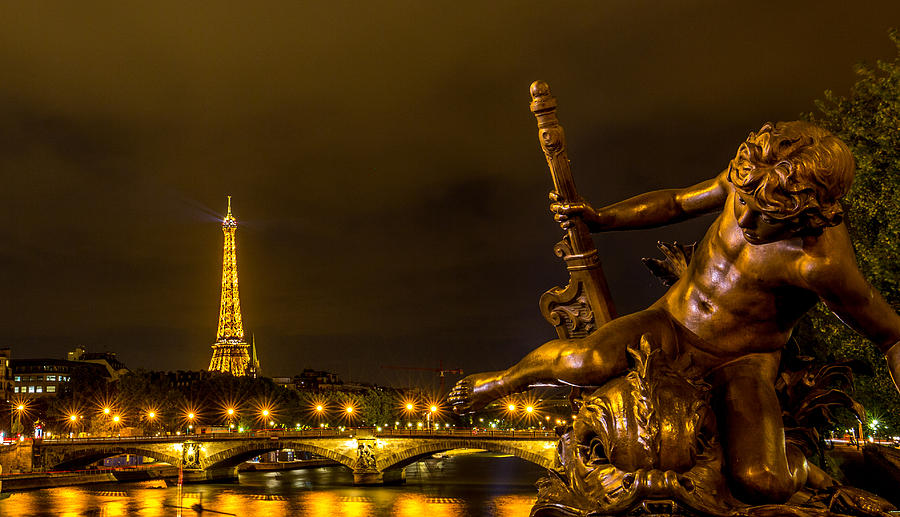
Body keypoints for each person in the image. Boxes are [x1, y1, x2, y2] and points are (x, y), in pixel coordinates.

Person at [450, 121, 900, 504]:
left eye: (766, 219)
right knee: (586, 359)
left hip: (742, 361)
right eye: (742, 203)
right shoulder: (750, 178)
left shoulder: (822, 263)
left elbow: (891, 337)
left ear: (812, 215)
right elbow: (678, 203)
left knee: (762, 481)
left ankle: (806, 470)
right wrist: (602, 218)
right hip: (671, 324)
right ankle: (500, 380)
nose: (745, 222)